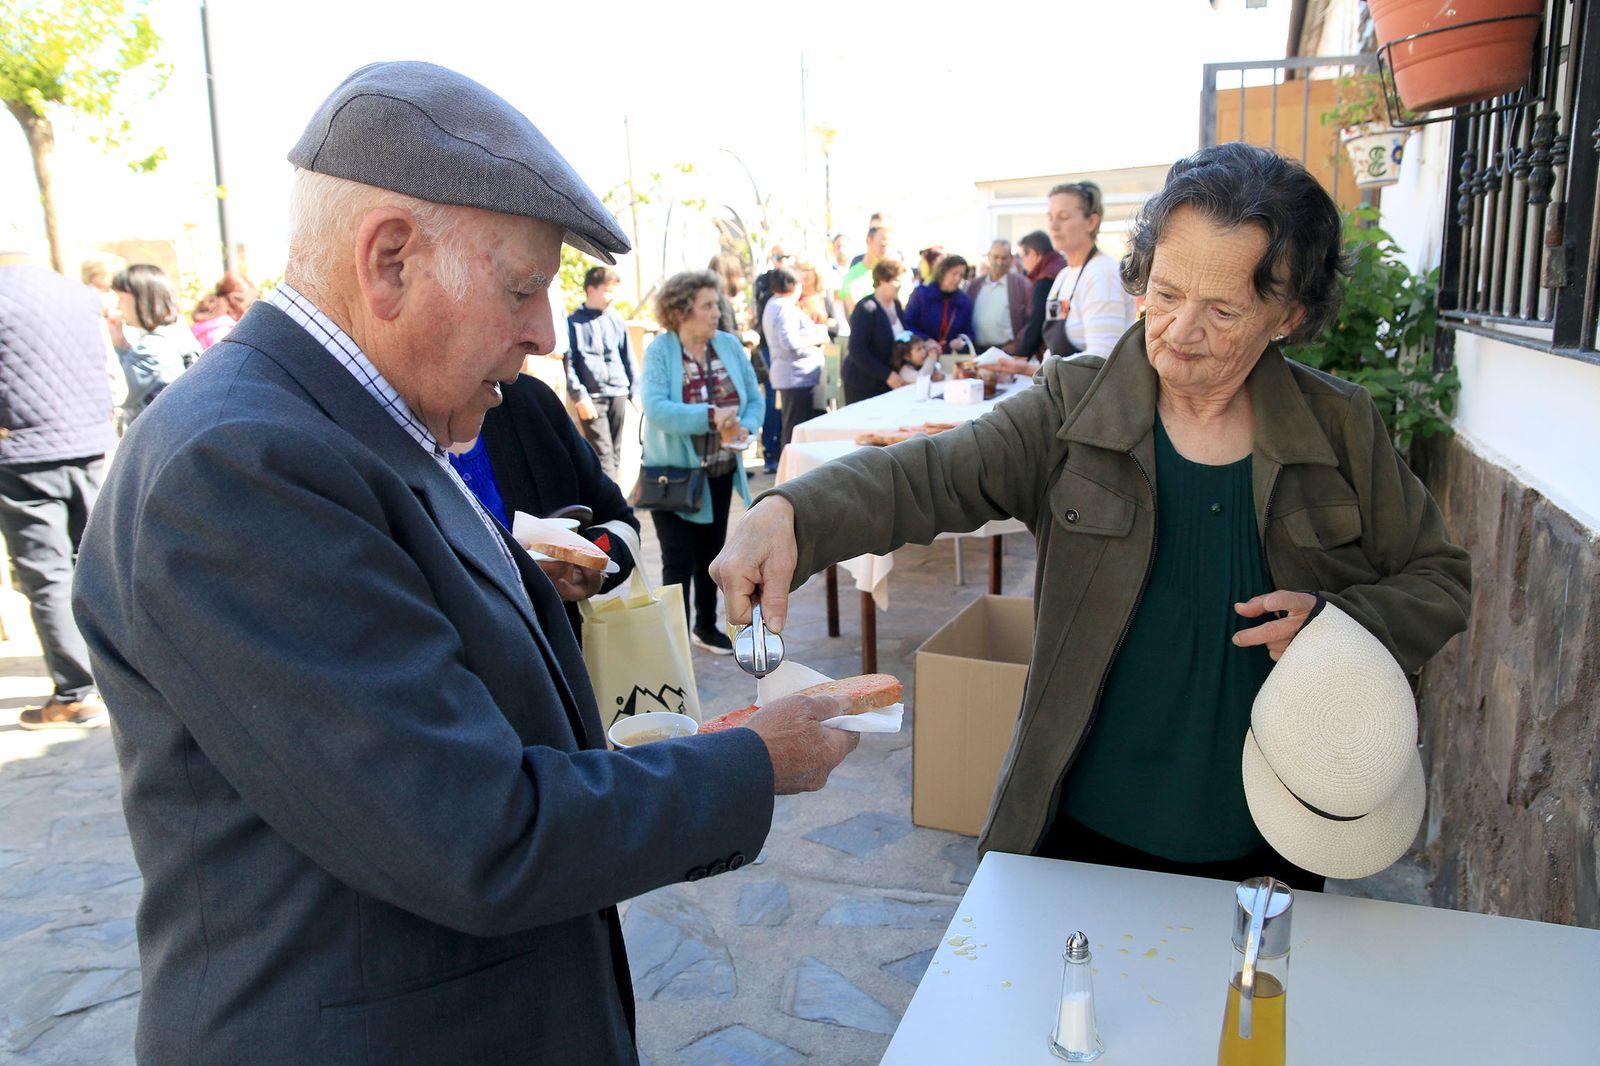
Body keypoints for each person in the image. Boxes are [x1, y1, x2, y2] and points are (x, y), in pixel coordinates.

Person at [71, 62, 858, 1065]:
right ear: (390, 259)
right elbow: (476, 833)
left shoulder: (349, 424)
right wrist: (754, 761)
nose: (542, 333)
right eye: (523, 288)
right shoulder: (239, 463)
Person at [712, 143, 1472, 892]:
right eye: (1166, 294)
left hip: (1272, 842)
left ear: (1288, 315)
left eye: (1223, 310)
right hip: (1083, 834)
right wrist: (789, 512)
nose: (1179, 331)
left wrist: (1336, 623)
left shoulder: (1339, 428)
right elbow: (926, 477)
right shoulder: (1072, 407)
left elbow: (1439, 578)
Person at [0, 241, 115, 729]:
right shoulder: (78, 296)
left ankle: (77, 692)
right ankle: (118, 675)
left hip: (26, 451)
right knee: (97, 563)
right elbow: (112, 372)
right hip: (90, 442)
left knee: (47, 572)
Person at [448, 372, 639, 638]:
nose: (545, 343)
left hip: (554, 661)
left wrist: (589, 561)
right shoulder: (378, 427)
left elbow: (620, 523)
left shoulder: (530, 402)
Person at [640, 270, 765, 655]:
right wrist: (711, 416)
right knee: (677, 559)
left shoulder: (728, 345)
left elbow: (754, 401)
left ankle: (705, 627)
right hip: (673, 476)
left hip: (719, 470)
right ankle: (673, 635)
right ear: (681, 311)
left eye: (717, 304)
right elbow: (656, 408)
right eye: (708, 305)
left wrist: (745, 429)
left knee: (712, 556)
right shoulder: (661, 351)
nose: (717, 313)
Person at [1040, 181, 1137, 359]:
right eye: (1050, 217)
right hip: (1064, 385)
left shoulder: (1102, 273)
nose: (1053, 226)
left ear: (1091, 222)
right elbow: (1053, 351)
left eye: (1063, 217)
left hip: (1095, 387)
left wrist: (1045, 370)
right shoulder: (1063, 276)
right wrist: (1025, 369)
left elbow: (1101, 356)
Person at [564, 265, 635, 481]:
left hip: (618, 392)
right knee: (603, 456)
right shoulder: (574, 323)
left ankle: (614, 504)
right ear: (591, 290)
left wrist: (635, 391)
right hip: (593, 397)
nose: (611, 297)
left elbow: (628, 357)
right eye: (607, 290)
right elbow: (570, 363)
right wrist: (580, 396)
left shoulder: (615, 320)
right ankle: (616, 507)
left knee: (615, 455)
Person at [109, 263, 200, 424]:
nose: (118, 306)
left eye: (122, 299)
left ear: (142, 300)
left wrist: (118, 347)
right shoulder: (176, 333)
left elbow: (119, 393)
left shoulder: (152, 348)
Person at [761, 266, 830, 445]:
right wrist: (816, 337)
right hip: (796, 376)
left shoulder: (776, 305)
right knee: (795, 429)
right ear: (793, 285)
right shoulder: (782, 307)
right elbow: (790, 343)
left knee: (796, 427)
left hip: (797, 375)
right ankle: (792, 471)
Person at [841, 258, 910, 404]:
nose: (899, 285)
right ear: (882, 280)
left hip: (885, 383)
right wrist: (886, 375)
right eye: (896, 280)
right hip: (863, 383)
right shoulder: (866, 308)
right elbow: (856, 349)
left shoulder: (896, 305)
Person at [965, 239, 1033, 353]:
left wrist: (1017, 344)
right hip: (977, 351)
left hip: (1006, 352)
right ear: (988, 257)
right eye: (996, 257)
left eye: (1004, 258)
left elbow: (1032, 320)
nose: (1000, 262)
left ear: (1011, 259)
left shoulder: (1021, 285)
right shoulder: (975, 285)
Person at [904, 252, 975, 353]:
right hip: (922, 356)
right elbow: (907, 324)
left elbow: (969, 331)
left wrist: (961, 342)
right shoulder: (921, 295)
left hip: (950, 358)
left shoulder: (964, 301)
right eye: (954, 273)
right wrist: (925, 340)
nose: (957, 279)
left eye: (961, 275)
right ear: (943, 272)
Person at [1015, 228, 1067, 361]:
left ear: (1032, 254)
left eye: (1022, 257)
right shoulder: (1062, 267)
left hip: (1060, 355)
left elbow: (1038, 322)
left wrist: (1020, 358)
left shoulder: (1046, 278)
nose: (1022, 263)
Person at [190, 270, 261, 350]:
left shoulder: (206, 325)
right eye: (249, 306)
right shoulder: (224, 332)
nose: (252, 313)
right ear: (236, 303)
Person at [838, 223, 891, 315]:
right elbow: (857, 312)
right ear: (869, 241)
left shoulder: (892, 273)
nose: (885, 250)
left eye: (888, 246)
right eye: (882, 245)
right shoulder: (852, 277)